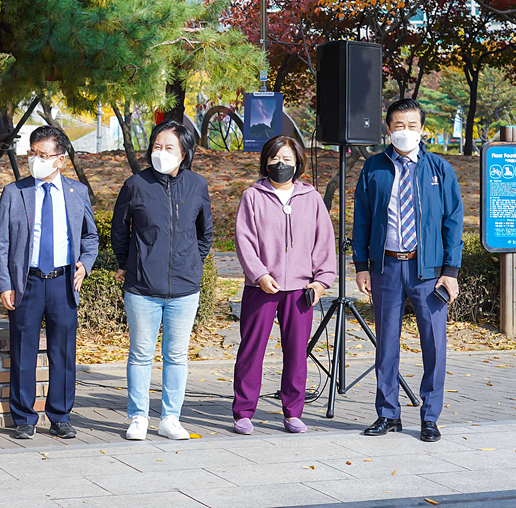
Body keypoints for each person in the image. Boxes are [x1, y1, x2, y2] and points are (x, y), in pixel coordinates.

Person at [353, 98, 463, 443]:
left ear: (422, 129)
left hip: (428, 271)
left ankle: (430, 417)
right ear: (388, 129)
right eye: (398, 126)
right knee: (385, 345)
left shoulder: (439, 169)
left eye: (411, 126)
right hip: (386, 267)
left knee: (434, 345)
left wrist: (451, 270)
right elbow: (362, 220)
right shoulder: (373, 169)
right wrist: (361, 266)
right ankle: (388, 414)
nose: (405, 132)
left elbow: (453, 221)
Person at [0, 126, 99, 440]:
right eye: (32, 153)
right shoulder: (16, 192)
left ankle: (61, 415)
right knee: (23, 351)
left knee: (63, 352)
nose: (35, 159)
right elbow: (2, 244)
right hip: (28, 282)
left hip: (64, 282)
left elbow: (90, 236)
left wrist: (86, 265)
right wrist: (4, 284)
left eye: (43, 154)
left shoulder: (77, 192)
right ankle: (24, 417)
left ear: (60, 160)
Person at [111, 120, 213, 442]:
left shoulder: (197, 185)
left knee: (176, 355)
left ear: (184, 153)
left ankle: (170, 417)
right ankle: (138, 416)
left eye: (169, 147)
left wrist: (191, 262)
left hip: (184, 289)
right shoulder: (135, 185)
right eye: (157, 146)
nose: (161, 152)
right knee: (140, 354)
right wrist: (130, 264)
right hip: (142, 289)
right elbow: (119, 231)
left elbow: (206, 233)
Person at [231, 136, 336, 435]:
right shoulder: (252, 196)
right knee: (252, 350)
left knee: (296, 352)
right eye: (276, 159)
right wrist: (260, 275)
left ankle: (293, 412)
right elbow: (244, 241)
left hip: (301, 291)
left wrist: (321, 282)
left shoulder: (312, 198)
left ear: (298, 163)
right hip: (261, 287)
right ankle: (243, 412)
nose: (281, 164)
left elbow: (324, 242)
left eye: (288, 160)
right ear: (265, 161)